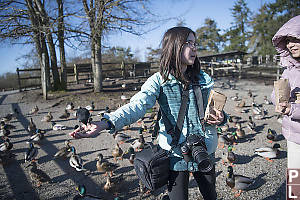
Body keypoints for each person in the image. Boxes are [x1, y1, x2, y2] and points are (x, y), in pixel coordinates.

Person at [69, 27, 227, 200]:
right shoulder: (159, 81)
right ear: (173, 46)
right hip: (175, 152)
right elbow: (137, 105)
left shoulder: (203, 79)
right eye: (188, 43)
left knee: (211, 195)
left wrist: (221, 118)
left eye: (195, 43)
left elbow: (214, 112)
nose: (194, 47)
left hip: (203, 148)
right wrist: (105, 123)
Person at [271, 15, 300, 169]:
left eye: (295, 39)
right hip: (293, 136)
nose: (290, 45)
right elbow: (275, 94)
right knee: (295, 186)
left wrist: (293, 109)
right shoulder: (289, 70)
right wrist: (279, 102)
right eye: (287, 40)